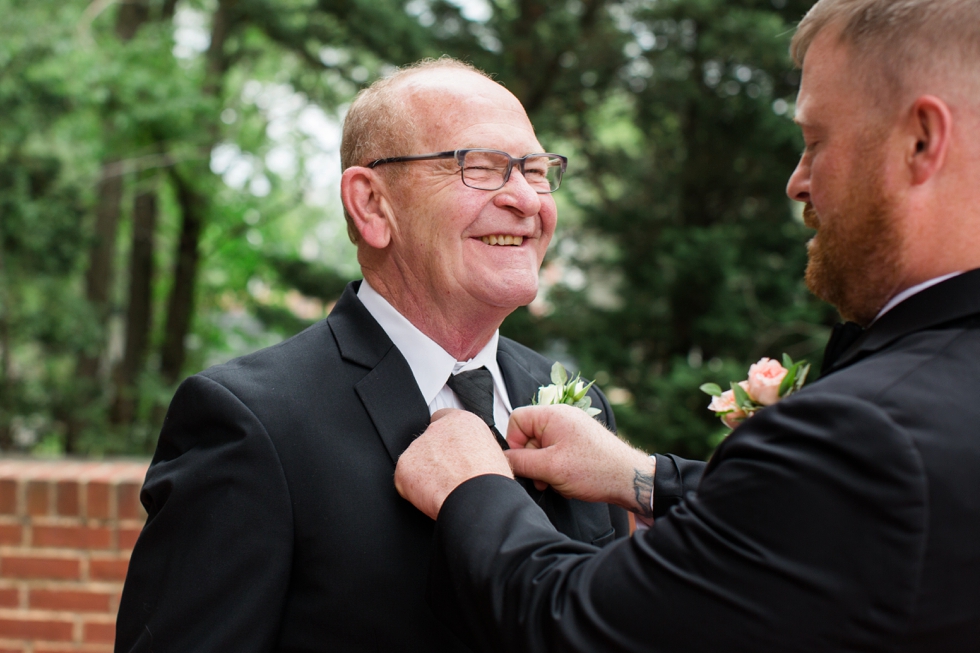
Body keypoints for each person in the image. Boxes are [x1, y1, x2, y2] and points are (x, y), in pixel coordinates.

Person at [393, 1, 980, 651]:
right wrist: (645, 479)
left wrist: (474, 489)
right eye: (479, 167)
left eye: (815, 141)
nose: (797, 181)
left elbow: (576, 625)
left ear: (921, 141)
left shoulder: (867, 434)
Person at [115, 59, 628, 652]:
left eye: (537, 172)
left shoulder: (579, 408)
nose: (524, 199)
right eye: (481, 168)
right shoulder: (251, 424)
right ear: (372, 206)